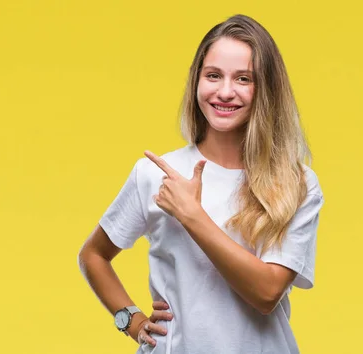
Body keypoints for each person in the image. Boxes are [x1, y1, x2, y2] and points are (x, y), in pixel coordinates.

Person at [77, 14, 324, 354]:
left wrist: (191, 215)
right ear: (196, 81)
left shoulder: (297, 184)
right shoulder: (157, 173)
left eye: (243, 79)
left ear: (266, 89)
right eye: (213, 75)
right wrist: (130, 320)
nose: (225, 91)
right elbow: (93, 255)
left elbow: (267, 293)